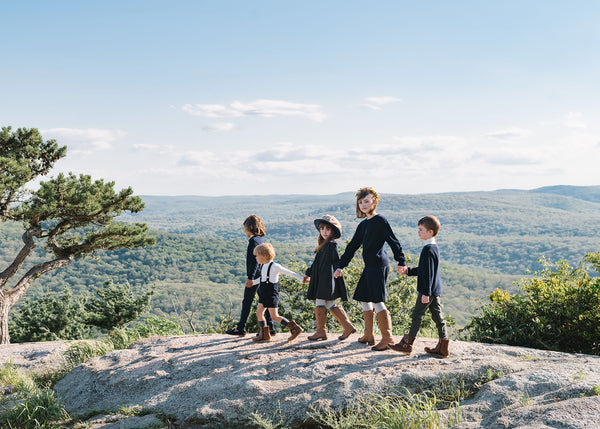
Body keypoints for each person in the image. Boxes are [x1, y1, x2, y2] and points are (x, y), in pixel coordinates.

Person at [333, 187, 406, 351]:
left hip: (379, 265)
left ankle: (387, 338)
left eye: (366, 201)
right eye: (360, 202)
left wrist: (401, 261)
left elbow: (393, 241)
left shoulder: (380, 220)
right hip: (370, 266)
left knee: (377, 300)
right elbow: (351, 247)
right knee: (364, 298)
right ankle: (368, 335)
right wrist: (340, 266)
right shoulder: (363, 225)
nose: (363, 205)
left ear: (374, 201)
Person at [390, 215, 450, 357]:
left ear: (430, 232)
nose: (418, 232)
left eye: (421, 229)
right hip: (435, 289)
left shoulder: (428, 249)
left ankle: (407, 344)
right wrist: (408, 271)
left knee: (417, 315)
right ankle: (443, 347)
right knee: (438, 318)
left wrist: (425, 293)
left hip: (428, 290)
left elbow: (428, 273)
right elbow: (425, 270)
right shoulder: (434, 247)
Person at [303, 215, 356, 341]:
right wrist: (308, 273)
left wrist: (339, 269)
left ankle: (321, 331)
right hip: (321, 277)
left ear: (333, 231)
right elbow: (316, 263)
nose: (324, 232)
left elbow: (336, 261)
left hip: (326, 278)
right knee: (328, 303)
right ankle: (347, 327)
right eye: (322, 229)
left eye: (328, 229)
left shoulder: (332, 245)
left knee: (320, 302)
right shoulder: (324, 244)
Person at [226, 215, 275, 337]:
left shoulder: (253, 241)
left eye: (245, 229)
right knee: (265, 301)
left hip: (255, 277)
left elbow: (254, 261)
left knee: (247, 301)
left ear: (251, 227)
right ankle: (271, 328)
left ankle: (241, 328)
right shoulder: (261, 240)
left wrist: (250, 277)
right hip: (262, 275)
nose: (245, 231)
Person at [252, 243, 305, 342]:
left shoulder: (275, 266)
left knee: (274, 316)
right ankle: (264, 334)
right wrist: (253, 283)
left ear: (264, 256)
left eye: (257, 256)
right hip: (263, 293)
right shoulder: (263, 266)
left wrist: (301, 279)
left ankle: (295, 328)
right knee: (259, 313)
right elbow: (262, 278)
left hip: (271, 294)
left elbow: (289, 273)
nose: (256, 258)